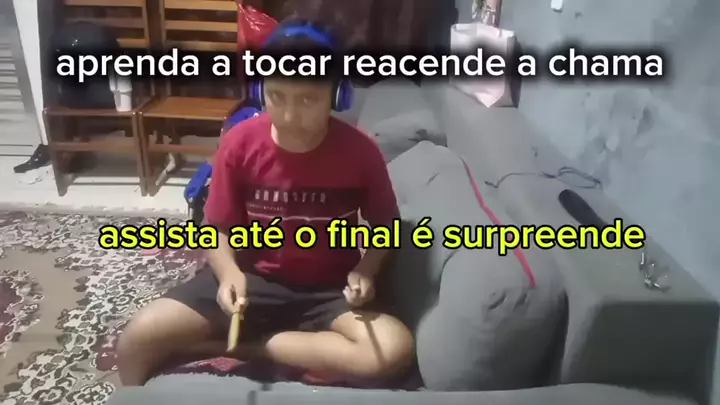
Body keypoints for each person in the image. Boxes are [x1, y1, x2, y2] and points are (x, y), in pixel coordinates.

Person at [116, 19, 415, 386]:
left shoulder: (361, 150)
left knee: (392, 349)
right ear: (261, 90)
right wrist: (229, 274)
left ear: (336, 95)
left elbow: (387, 225)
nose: (290, 116)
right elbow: (216, 229)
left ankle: (245, 346)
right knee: (138, 338)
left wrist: (366, 269)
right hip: (252, 280)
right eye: (277, 97)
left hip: (329, 289)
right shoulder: (239, 143)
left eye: (307, 100)